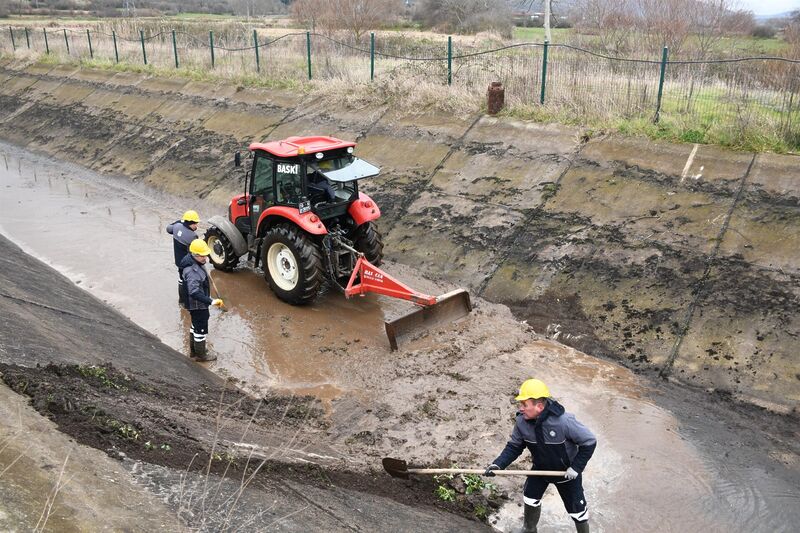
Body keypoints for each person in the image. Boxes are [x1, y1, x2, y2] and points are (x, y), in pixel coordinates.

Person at [484, 379, 596, 533]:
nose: (521, 408)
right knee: (529, 498)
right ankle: (529, 529)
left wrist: (576, 467)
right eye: (520, 404)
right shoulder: (521, 422)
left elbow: (589, 442)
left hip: (566, 474)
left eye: (524, 404)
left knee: (577, 511)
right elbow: (514, 447)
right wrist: (498, 464)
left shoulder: (564, 422)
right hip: (540, 470)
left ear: (540, 406)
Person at [180, 239, 224, 361]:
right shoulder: (192, 271)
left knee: (195, 325)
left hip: (193, 304)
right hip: (197, 305)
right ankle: (201, 355)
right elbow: (194, 292)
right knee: (201, 329)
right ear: (195, 255)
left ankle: (193, 352)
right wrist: (211, 301)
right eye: (203, 255)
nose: (206, 257)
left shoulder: (191, 261)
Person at [166, 210, 200, 304]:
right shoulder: (192, 236)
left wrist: (178, 222)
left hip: (178, 261)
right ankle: (188, 302)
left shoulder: (176, 227)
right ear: (190, 223)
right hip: (188, 264)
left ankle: (182, 301)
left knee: (181, 279)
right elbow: (196, 251)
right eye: (195, 224)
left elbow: (168, 228)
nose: (196, 226)